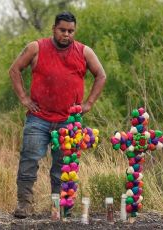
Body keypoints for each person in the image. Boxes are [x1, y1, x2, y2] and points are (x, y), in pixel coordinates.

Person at [9, 11, 106, 219]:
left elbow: (101, 75)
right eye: (62, 30)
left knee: (63, 167)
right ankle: (24, 204)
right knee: (29, 161)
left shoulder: (84, 51)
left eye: (71, 31)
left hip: (69, 122)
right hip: (39, 118)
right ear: (54, 29)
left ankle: (60, 208)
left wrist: (89, 103)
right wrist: (24, 99)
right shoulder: (37, 47)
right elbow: (15, 70)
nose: (66, 34)